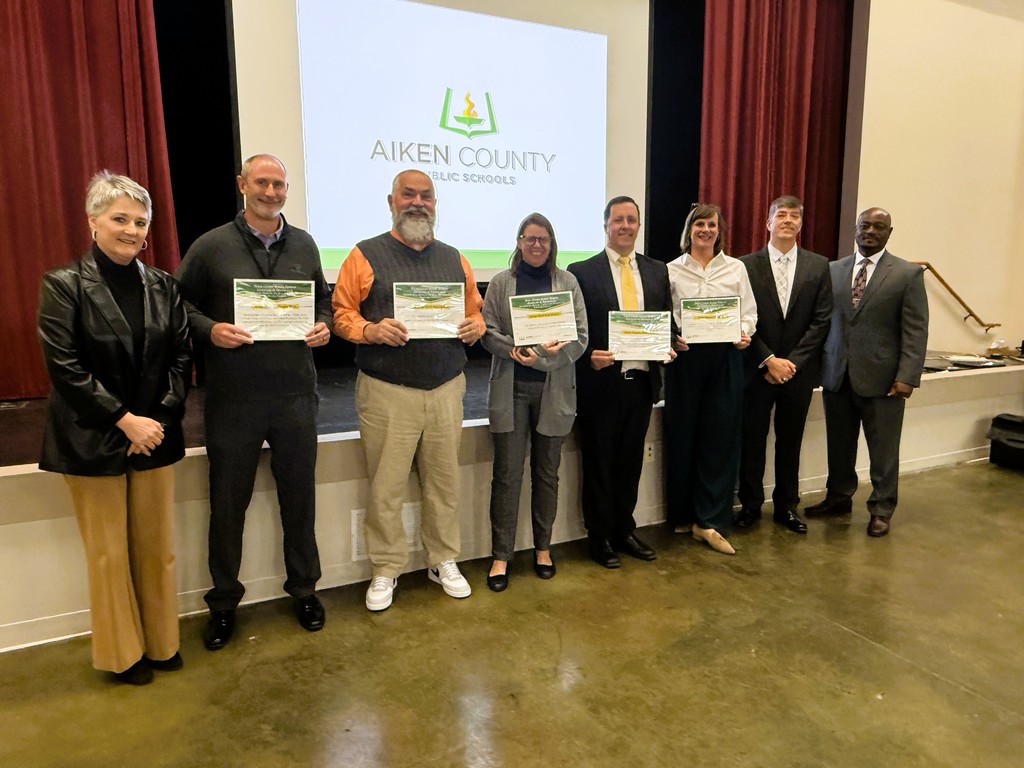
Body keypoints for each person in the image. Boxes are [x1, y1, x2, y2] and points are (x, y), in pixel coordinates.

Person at [37, 171, 190, 685]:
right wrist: (125, 422)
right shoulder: (62, 286)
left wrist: (157, 421)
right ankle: (125, 656)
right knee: (108, 555)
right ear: (93, 222)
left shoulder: (164, 285)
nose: (131, 230)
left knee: (156, 549)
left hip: (154, 435)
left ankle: (162, 643)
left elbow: (180, 358)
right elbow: (65, 368)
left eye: (140, 221)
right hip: (93, 434)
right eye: (120, 218)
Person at [176, 154, 332, 650]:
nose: (271, 191)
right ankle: (223, 603)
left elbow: (322, 299)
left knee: (299, 502)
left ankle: (304, 590)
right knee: (226, 507)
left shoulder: (305, 243)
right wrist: (208, 330)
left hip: (293, 397)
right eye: (262, 182)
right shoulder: (211, 245)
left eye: (279, 184)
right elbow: (179, 303)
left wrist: (323, 324)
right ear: (242, 184)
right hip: (232, 400)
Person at [332, 169, 485, 611]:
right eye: (408, 195)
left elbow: (475, 314)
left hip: (445, 387)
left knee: (444, 482)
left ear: (435, 204)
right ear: (391, 201)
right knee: (386, 485)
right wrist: (370, 330)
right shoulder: (364, 255)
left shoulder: (455, 257)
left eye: (426, 196)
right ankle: (386, 567)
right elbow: (341, 313)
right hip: (387, 390)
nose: (418, 202)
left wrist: (476, 326)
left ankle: (444, 559)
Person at [804, 207, 928, 537]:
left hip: (885, 381)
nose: (870, 231)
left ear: (889, 232)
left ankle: (882, 507)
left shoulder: (907, 274)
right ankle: (839, 497)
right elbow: (822, 322)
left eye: (879, 226)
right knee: (839, 445)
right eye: (865, 225)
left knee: (884, 450)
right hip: (837, 375)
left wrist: (907, 376)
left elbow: (916, 330)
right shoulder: (832, 270)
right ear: (856, 229)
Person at [480, 213, 588, 591]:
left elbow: (580, 338)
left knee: (547, 475)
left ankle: (543, 548)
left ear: (552, 243)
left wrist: (541, 359)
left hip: (553, 392)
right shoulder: (500, 283)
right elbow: (486, 332)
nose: (536, 245)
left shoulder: (568, 283)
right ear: (519, 242)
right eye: (529, 238)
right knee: (506, 477)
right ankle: (501, 556)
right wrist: (513, 349)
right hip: (510, 391)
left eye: (543, 239)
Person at [568, 196, 671, 568]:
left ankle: (624, 530)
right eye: (617, 220)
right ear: (606, 226)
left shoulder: (658, 270)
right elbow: (572, 330)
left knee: (630, 464)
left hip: (642, 383)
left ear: (638, 225)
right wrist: (586, 355)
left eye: (631, 219)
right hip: (600, 385)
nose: (625, 226)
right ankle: (599, 538)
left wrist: (669, 344)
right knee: (598, 464)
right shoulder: (581, 271)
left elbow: (665, 320)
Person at [664, 203, 757, 555]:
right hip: (686, 362)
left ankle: (711, 521)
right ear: (689, 229)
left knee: (719, 439)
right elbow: (667, 315)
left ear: (720, 230)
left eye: (712, 224)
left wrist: (745, 332)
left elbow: (748, 312)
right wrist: (673, 335)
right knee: (682, 435)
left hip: (725, 360)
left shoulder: (736, 268)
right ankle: (684, 515)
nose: (706, 230)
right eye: (700, 224)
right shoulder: (671, 270)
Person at [736, 196, 833, 534]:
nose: (788, 221)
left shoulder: (819, 266)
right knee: (752, 440)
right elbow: (742, 318)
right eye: (781, 215)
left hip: (797, 372)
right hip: (757, 368)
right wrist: (768, 359)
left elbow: (821, 321)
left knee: (790, 441)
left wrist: (791, 363)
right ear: (768, 223)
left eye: (795, 216)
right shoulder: (744, 266)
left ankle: (786, 507)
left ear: (801, 225)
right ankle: (749, 505)